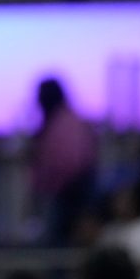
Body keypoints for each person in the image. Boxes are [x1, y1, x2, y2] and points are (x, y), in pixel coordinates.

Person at [29, 77, 98, 245]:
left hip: (71, 195)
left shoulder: (62, 124)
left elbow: (70, 163)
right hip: (71, 193)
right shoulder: (69, 120)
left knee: (61, 245)